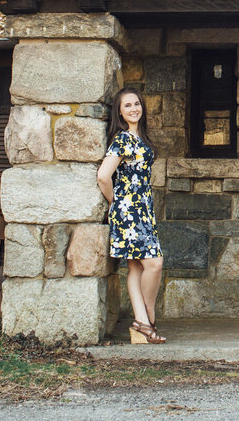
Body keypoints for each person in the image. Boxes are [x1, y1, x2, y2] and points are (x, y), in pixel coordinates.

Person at [97, 88, 166, 344]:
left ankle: (141, 323)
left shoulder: (140, 138)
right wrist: (117, 203)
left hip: (143, 208)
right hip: (129, 210)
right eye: (128, 105)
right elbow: (104, 176)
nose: (134, 108)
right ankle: (148, 315)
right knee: (154, 263)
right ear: (119, 111)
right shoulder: (122, 139)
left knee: (136, 264)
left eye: (137, 104)